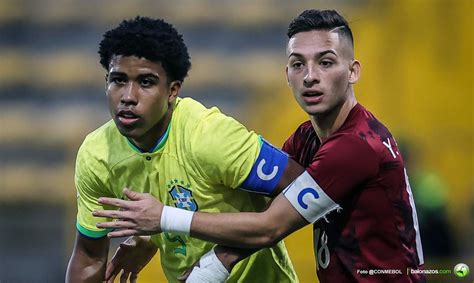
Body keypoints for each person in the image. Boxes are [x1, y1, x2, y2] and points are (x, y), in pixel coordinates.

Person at [94, 10, 426, 282]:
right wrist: (168, 243)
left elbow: (270, 227)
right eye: (298, 64)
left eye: (325, 62)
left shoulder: (356, 146)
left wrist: (167, 220)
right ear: (287, 74)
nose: (310, 76)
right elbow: (263, 210)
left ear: (353, 71)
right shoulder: (306, 138)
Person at [65, 16, 307, 283]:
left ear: (172, 91)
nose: (128, 96)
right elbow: (89, 257)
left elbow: (305, 191)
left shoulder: (210, 137)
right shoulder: (97, 155)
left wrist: (221, 259)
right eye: (118, 80)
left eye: (146, 82)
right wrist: (150, 239)